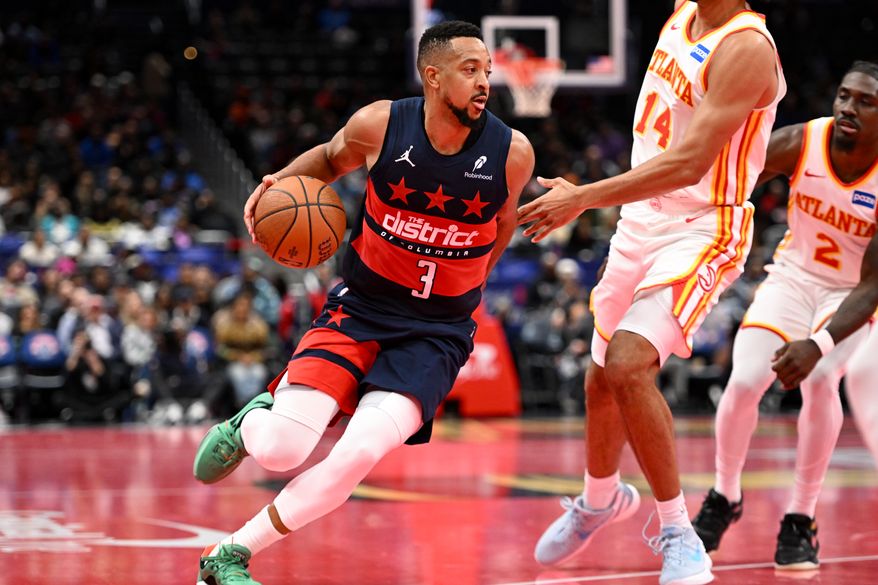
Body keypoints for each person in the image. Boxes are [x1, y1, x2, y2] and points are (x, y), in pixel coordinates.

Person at [191, 20, 534, 585]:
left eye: (487, 72)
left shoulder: (511, 153)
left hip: (436, 333)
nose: (483, 83)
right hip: (362, 308)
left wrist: (464, 284)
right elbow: (327, 160)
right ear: (432, 75)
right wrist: (274, 184)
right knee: (281, 450)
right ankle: (252, 418)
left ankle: (229, 554)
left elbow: (500, 229)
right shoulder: (381, 124)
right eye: (469, 70)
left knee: (354, 458)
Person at [520, 2, 785, 584]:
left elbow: (691, 163)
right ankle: (599, 500)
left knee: (629, 364)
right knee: (599, 380)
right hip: (641, 219)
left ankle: (680, 534)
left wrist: (583, 196)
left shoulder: (747, 49)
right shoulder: (681, 14)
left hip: (703, 226)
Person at [689, 60, 878, 570]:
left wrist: (817, 345)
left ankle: (801, 517)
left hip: (853, 295)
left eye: (865, 101)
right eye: (844, 95)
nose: (848, 108)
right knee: (745, 380)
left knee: (821, 382)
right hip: (793, 279)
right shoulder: (803, 141)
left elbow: (873, 286)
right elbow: (729, 174)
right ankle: (724, 496)